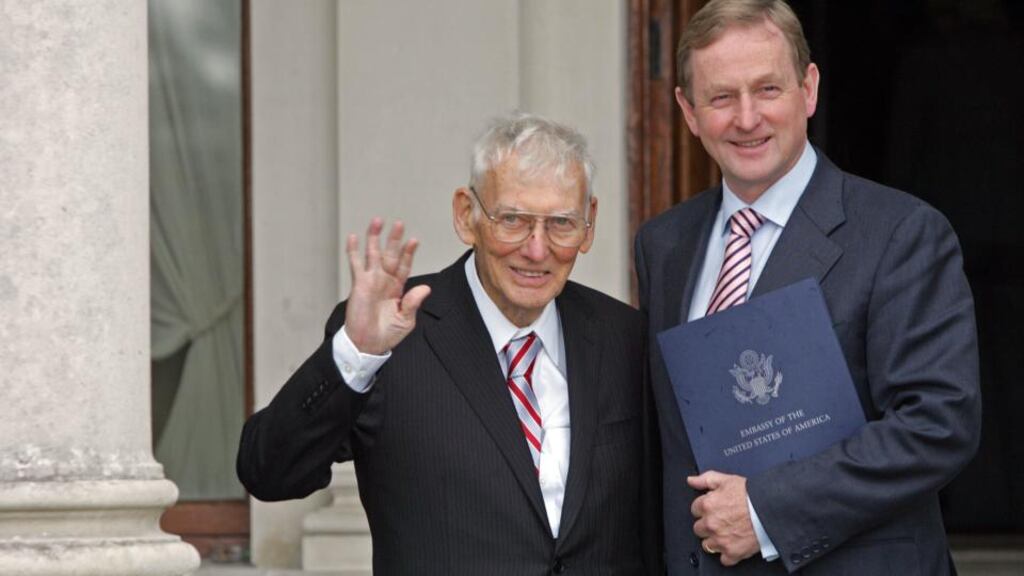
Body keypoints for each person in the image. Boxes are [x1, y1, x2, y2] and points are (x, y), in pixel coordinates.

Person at [634, 0, 981, 573]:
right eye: (721, 97)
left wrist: (765, 510)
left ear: (809, 88)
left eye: (767, 89)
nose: (747, 118)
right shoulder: (663, 244)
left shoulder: (900, 233)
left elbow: (937, 424)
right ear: (689, 112)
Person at [238, 113, 660, 575]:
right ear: (466, 215)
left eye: (561, 223)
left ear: (589, 224)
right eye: (512, 220)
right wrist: (354, 356)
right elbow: (269, 473)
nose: (537, 250)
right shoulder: (391, 334)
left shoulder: (624, 338)